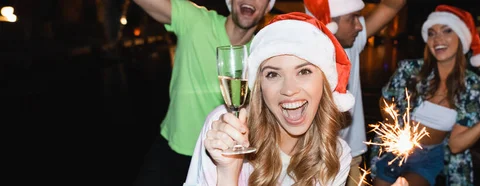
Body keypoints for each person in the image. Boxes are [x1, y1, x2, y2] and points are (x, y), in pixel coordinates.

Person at [183, 12, 356, 186]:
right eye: (273, 74)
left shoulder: (336, 156)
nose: (289, 90)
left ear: (324, 81)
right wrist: (228, 173)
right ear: (259, 85)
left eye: (304, 72)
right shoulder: (225, 128)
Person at [370, 5, 480, 186]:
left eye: (447, 30)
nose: (437, 39)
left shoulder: (473, 86)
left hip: (430, 157)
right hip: (393, 151)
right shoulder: (410, 70)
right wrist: (397, 130)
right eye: (432, 33)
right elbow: (386, 100)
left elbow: (456, 145)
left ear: (461, 38)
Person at [131, 0, 275, 185]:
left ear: (268, 6)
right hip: (171, 151)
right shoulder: (195, 20)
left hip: (221, 157)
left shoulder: (262, 53)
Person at [302, 0, 407, 185]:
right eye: (352, 18)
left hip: (351, 158)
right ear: (330, 22)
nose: (359, 26)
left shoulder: (351, 43)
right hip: (311, 161)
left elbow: (392, 5)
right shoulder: (300, 58)